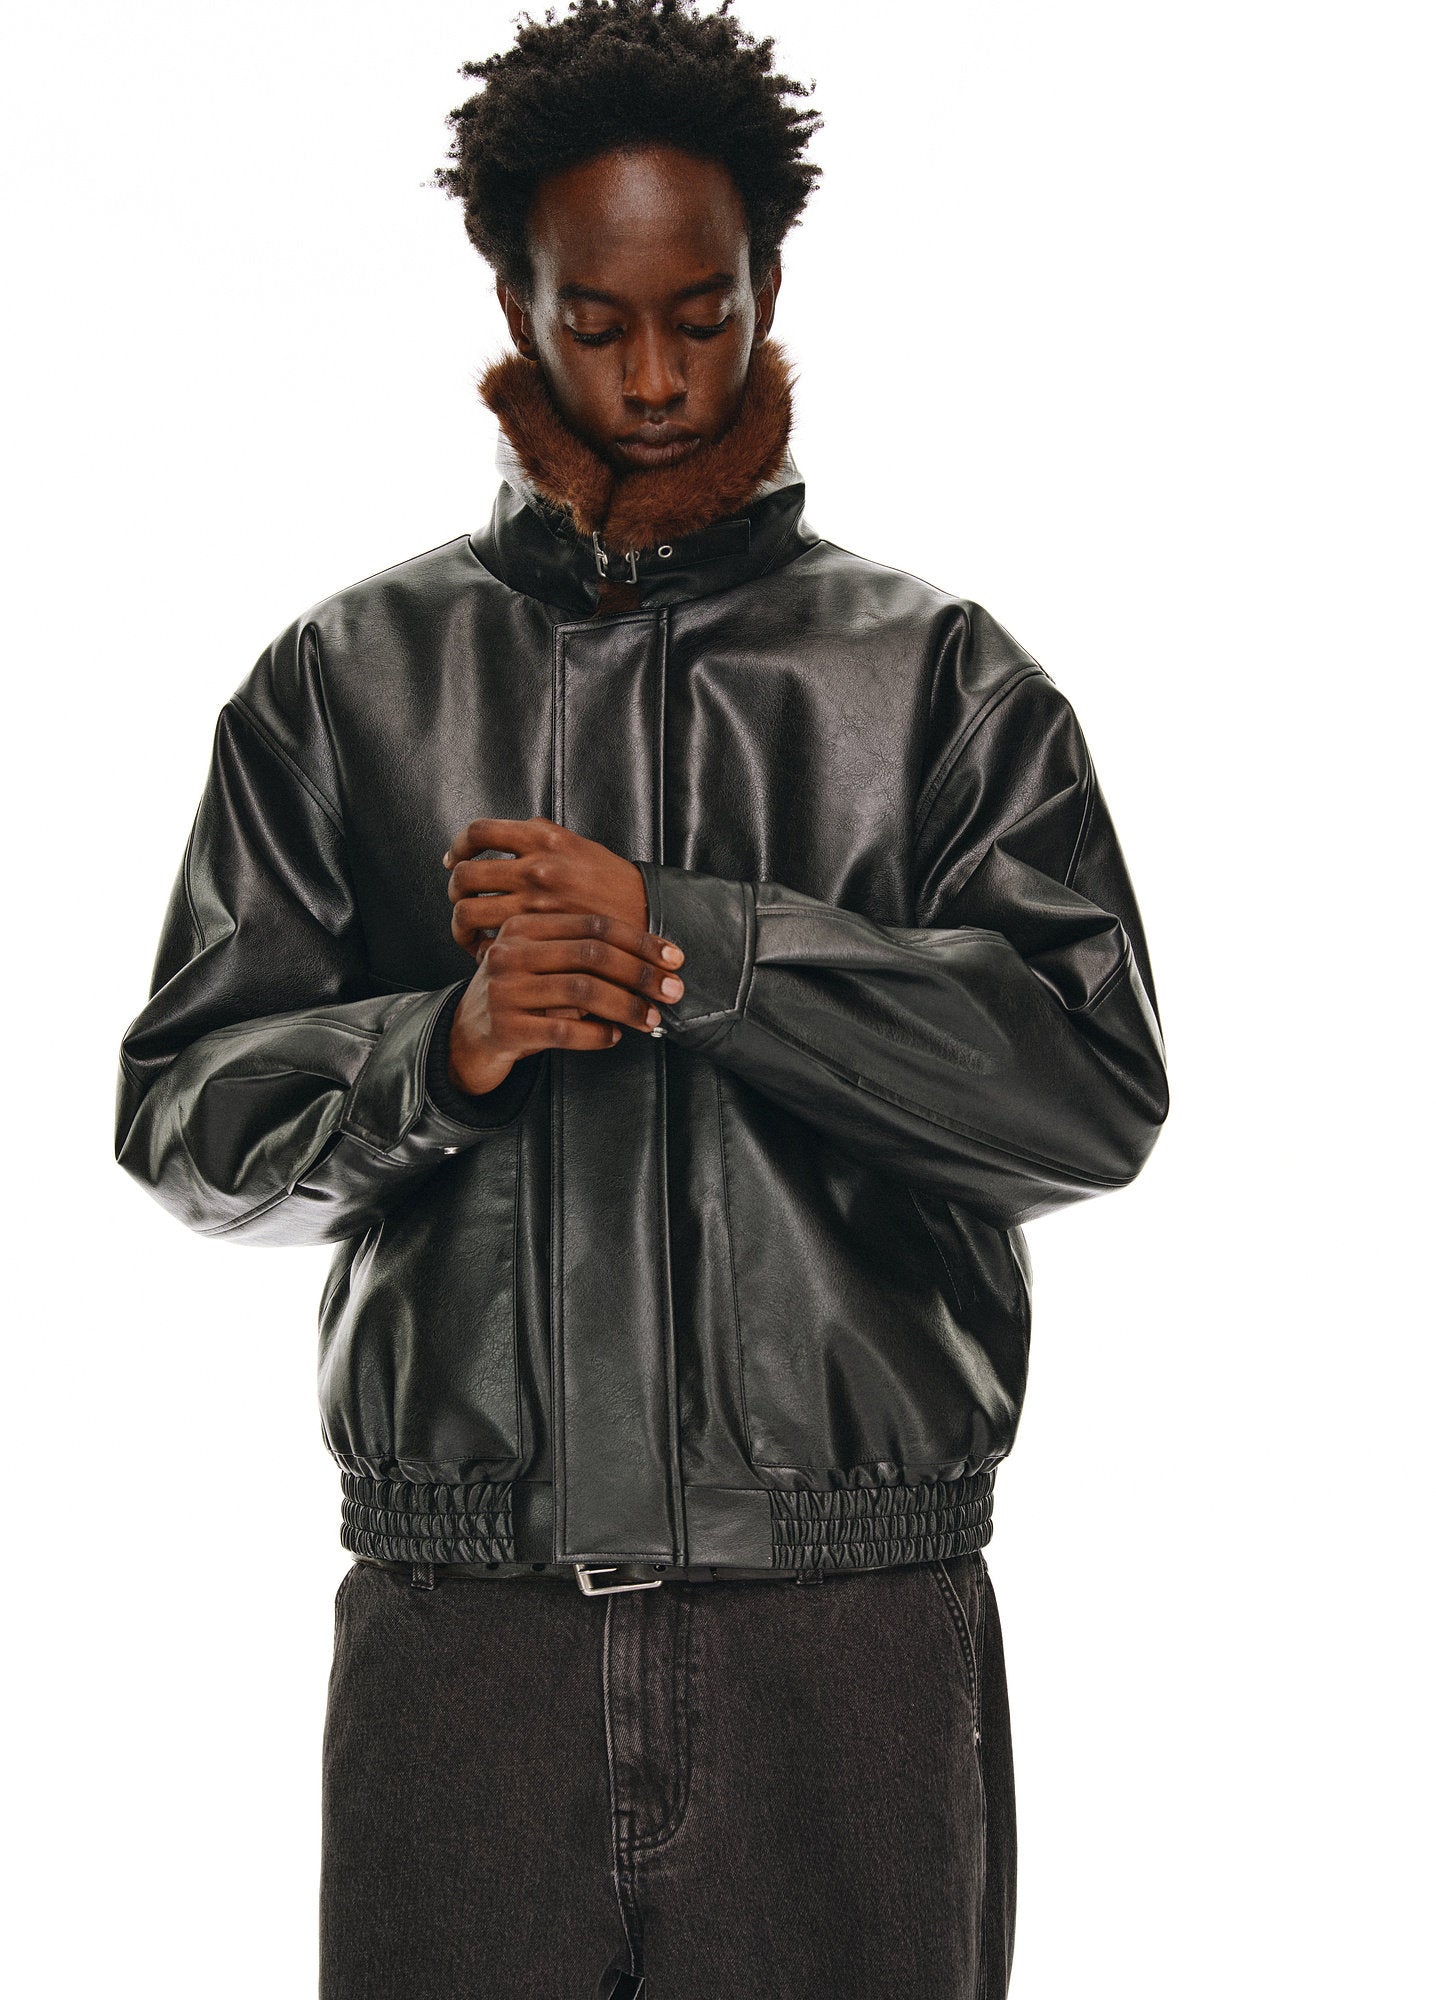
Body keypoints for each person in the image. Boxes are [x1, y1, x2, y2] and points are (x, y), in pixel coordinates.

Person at [114, 3, 1169, 1995]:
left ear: (772, 282)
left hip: (842, 1634)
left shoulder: (936, 680)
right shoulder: (346, 681)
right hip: (466, 1640)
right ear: (513, 295)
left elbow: (1089, 1094)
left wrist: (701, 945)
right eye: (598, 323)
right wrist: (447, 1044)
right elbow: (187, 1116)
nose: (662, 376)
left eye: (706, 313)